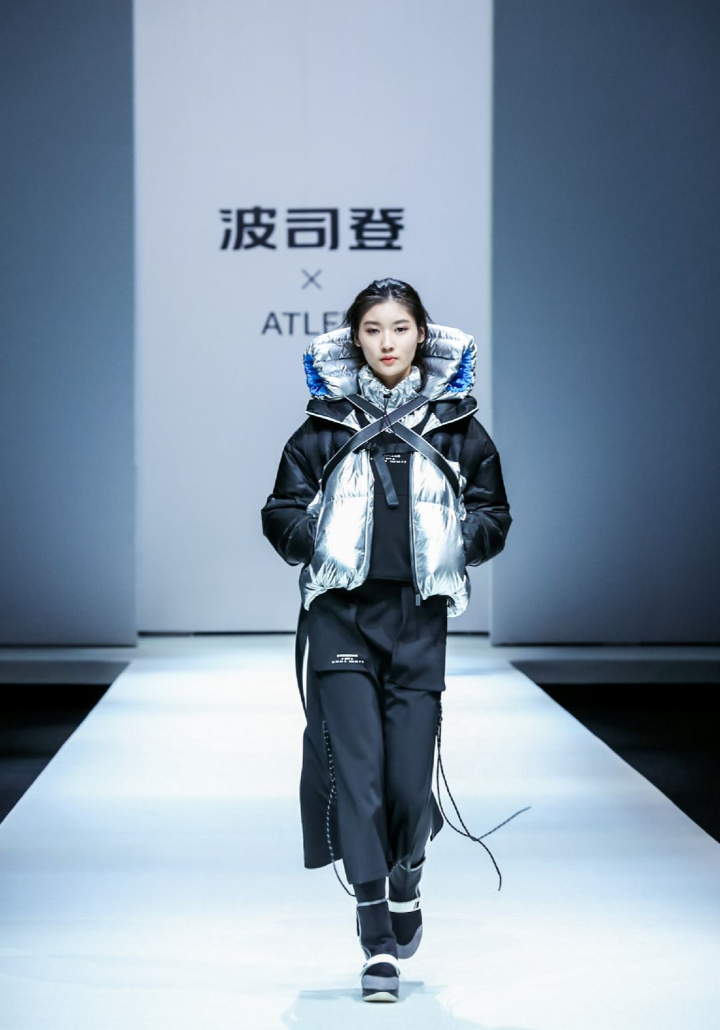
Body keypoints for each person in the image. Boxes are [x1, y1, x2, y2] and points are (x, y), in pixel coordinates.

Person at [261, 277, 516, 1002]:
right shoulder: (322, 427)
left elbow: (495, 513)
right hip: (340, 616)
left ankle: (408, 875)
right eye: (372, 330)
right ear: (355, 340)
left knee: (408, 778)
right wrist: (314, 538)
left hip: (417, 618)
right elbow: (279, 509)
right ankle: (375, 932)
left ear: (421, 336)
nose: (386, 343)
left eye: (400, 328)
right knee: (359, 776)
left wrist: (458, 540)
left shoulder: (458, 428)